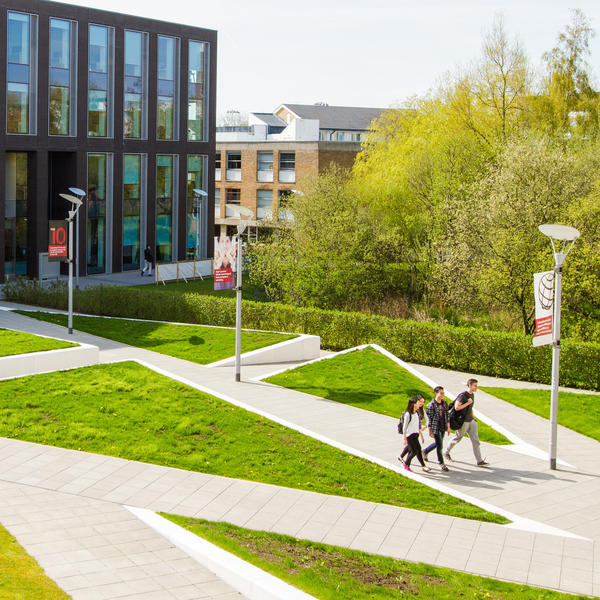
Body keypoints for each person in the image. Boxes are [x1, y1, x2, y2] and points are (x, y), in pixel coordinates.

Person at [445, 378, 489, 466]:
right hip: (463, 421)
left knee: (476, 441)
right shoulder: (463, 395)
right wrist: (467, 403)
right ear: (469, 385)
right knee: (458, 438)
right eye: (475, 386)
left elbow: (470, 407)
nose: (476, 387)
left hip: (471, 421)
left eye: (476, 386)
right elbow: (456, 407)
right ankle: (446, 452)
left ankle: (479, 461)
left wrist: (473, 417)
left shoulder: (472, 395)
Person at [423, 386, 450, 472]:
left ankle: (425, 451)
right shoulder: (431, 405)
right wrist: (430, 431)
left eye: (443, 393)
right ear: (436, 393)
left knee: (439, 443)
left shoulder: (444, 403)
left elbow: (447, 415)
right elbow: (429, 420)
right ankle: (441, 463)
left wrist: (448, 426)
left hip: (443, 426)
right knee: (440, 446)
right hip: (435, 427)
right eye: (441, 393)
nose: (443, 395)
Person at [402, 395, 431, 473]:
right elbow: (404, 427)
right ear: (414, 404)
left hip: (416, 434)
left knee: (418, 449)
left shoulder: (417, 413)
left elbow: (418, 426)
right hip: (410, 435)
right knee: (414, 451)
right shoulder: (408, 414)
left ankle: (407, 465)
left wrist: (421, 436)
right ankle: (406, 465)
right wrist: (404, 438)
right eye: (419, 403)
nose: (420, 404)